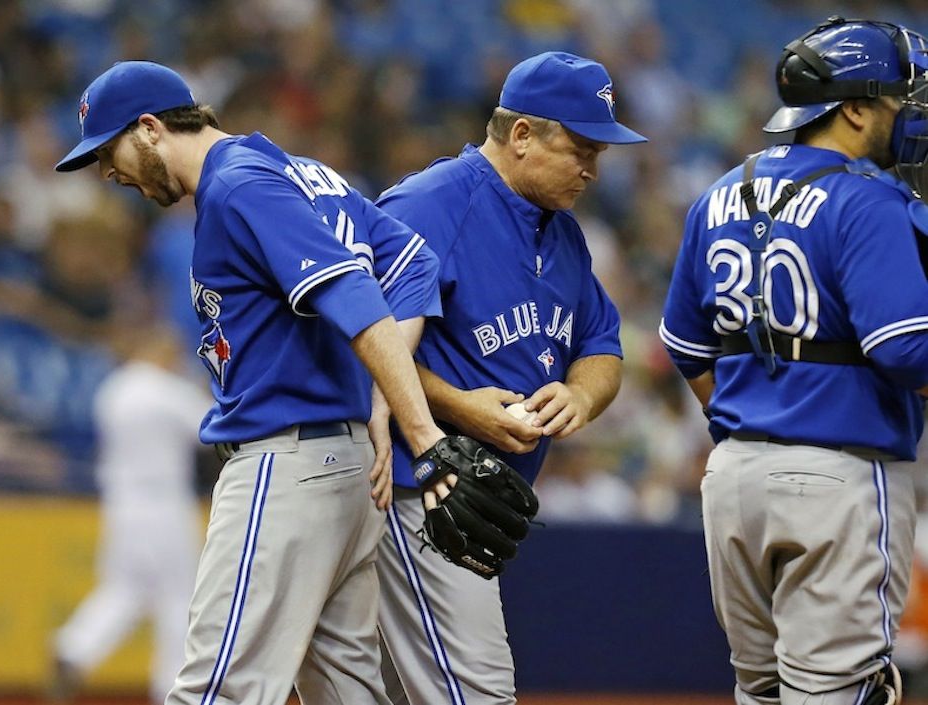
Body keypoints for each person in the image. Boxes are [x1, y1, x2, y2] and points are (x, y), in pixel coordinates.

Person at [56, 60, 452, 705]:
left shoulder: (239, 186)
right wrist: (383, 402)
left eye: (109, 149)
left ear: (150, 128)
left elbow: (354, 293)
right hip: (345, 472)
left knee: (217, 691)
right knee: (346, 693)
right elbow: (412, 264)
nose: (106, 170)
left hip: (286, 466)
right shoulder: (296, 172)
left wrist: (420, 429)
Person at [659, 16, 928, 705]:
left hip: (733, 479)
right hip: (838, 477)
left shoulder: (717, 193)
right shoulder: (866, 198)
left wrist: (760, 421)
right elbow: (904, 348)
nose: (909, 115)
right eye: (900, 100)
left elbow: (685, 345)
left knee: (763, 692)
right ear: (856, 107)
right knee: (840, 692)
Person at [373, 51, 645, 704]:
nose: (591, 168)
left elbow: (603, 347)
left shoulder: (565, 236)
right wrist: (457, 406)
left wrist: (580, 392)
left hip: (470, 501)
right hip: (414, 491)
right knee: (479, 691)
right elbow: (360, 344)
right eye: (580, 147)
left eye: (598, 152)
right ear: (522, 134)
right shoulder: (431, 205)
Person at [51, 325, 212, 705]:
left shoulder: (114, 388)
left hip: (121, 503)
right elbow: (208, 427)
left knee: (125, 588)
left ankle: (74, 647)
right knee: (179, 597)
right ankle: (172, 690)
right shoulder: (164, 388)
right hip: (163, 503)